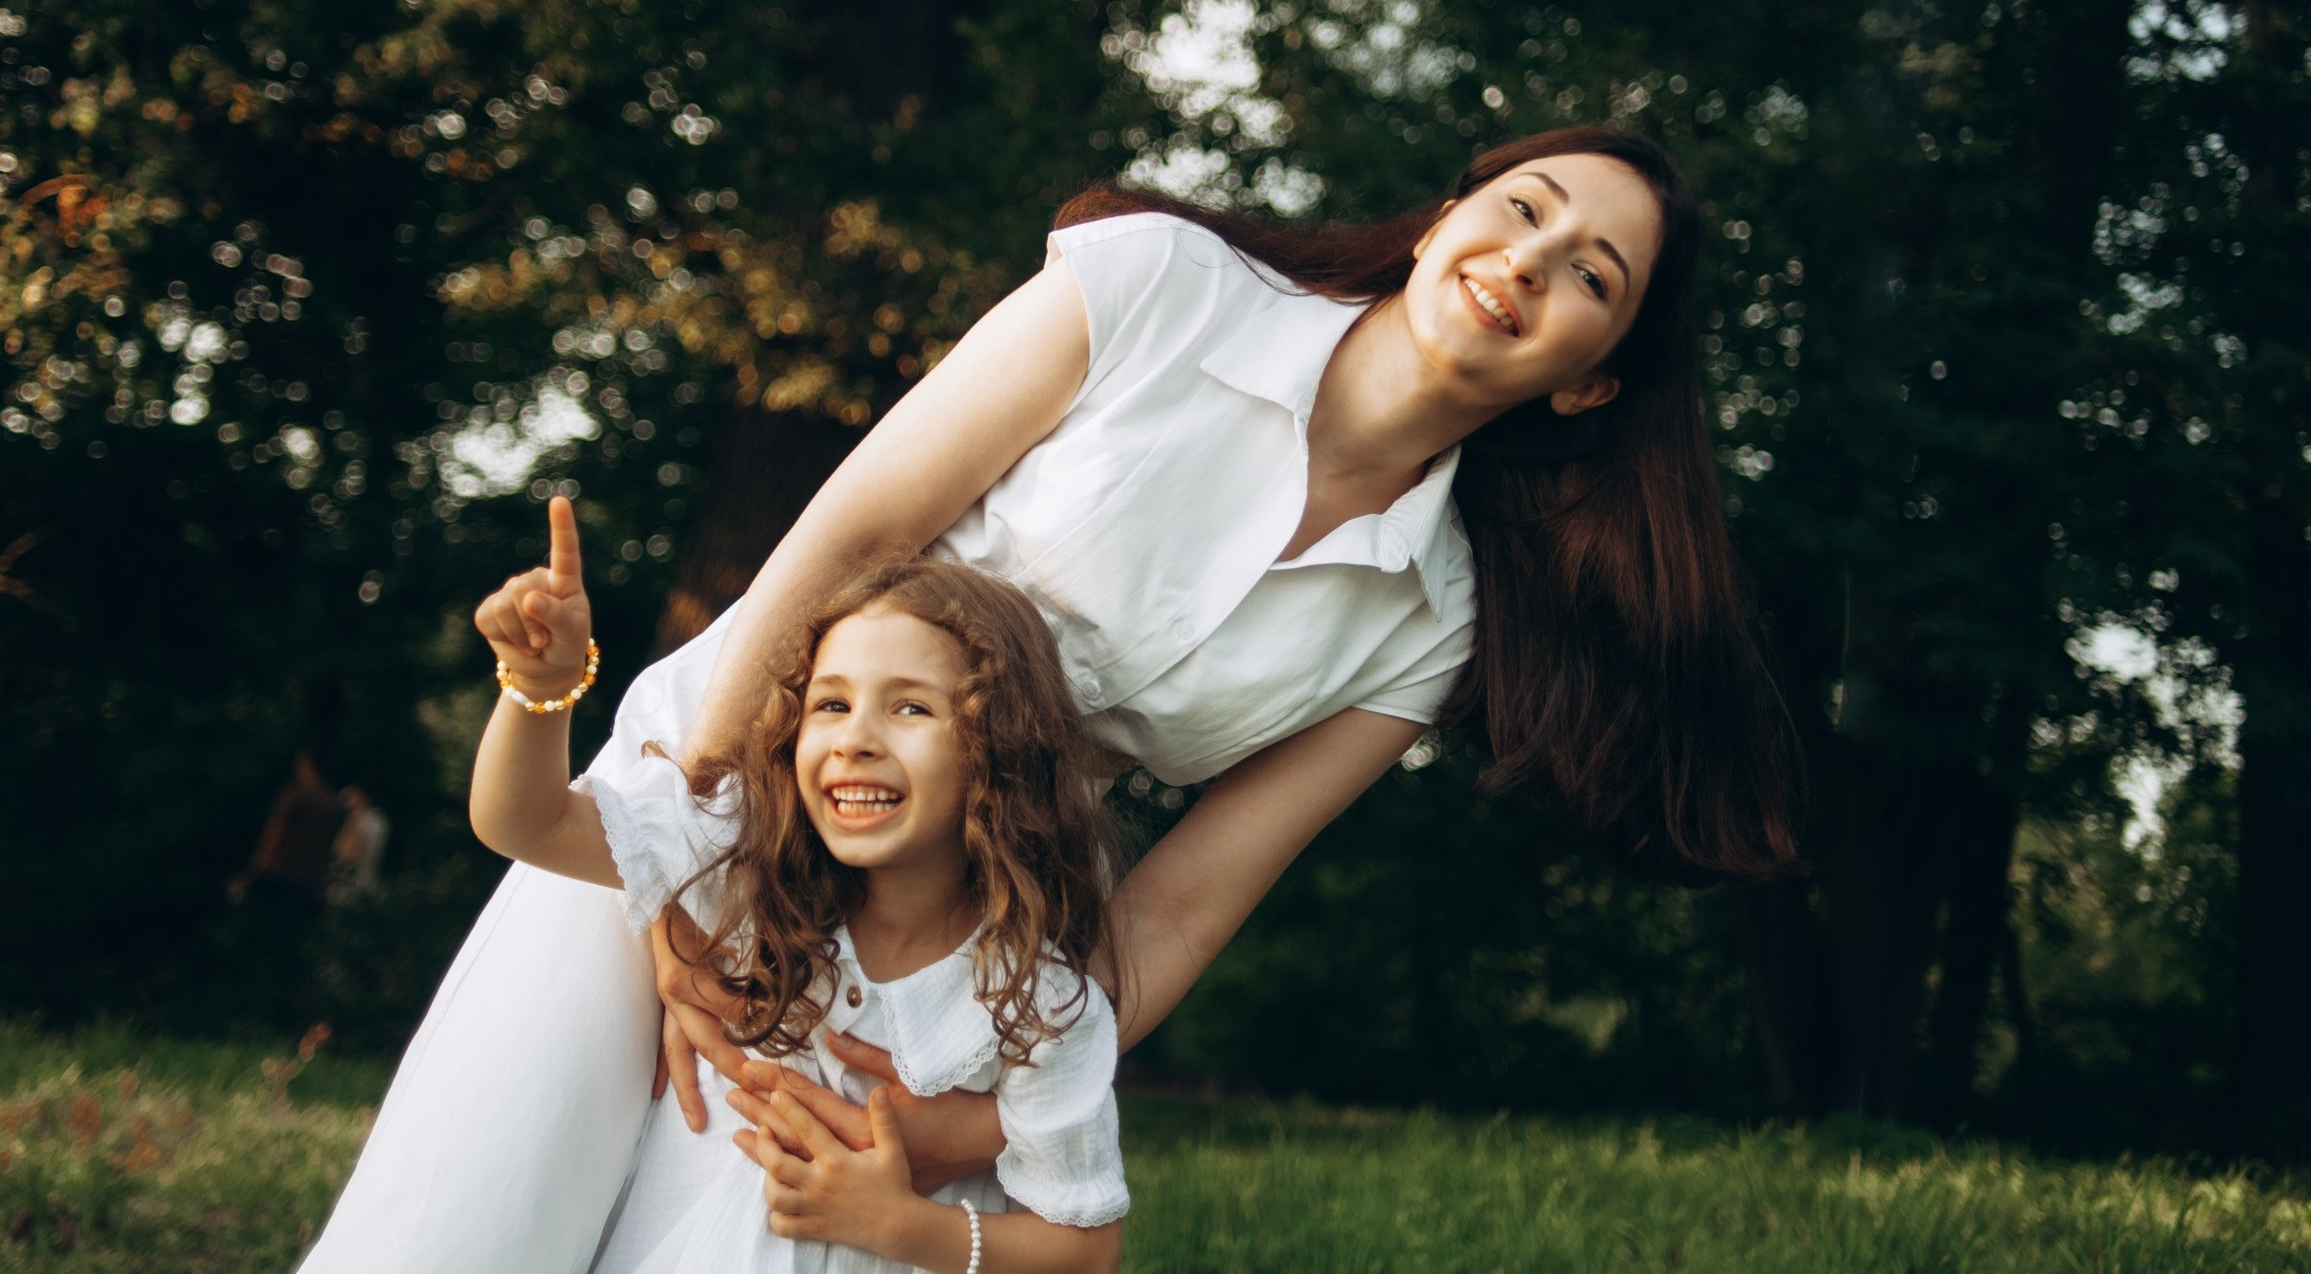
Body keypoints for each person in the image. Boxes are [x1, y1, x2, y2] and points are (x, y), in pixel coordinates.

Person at [300, 126, 1802, 1271]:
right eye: (1525, 206)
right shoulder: (1159, 285)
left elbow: (1180, 905)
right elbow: (855, 533)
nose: (1534, 259)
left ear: (1593, 380)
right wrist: (684, 858)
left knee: (740, 1237)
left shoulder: (1433, 616)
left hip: (955, 939)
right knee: (480, 1199)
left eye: (1593, 273)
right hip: (744, 760)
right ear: (1444, 222)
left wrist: (996, 1101)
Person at [466, 550, 1125, 1273]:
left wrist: (900, 1225)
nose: (857, 738)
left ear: (999, 747)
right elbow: (526, 823)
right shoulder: (744, 866)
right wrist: (539, 688)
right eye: (832, 704)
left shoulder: (1040, 1000)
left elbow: (1084, 1249)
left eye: (910, 706)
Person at [228, 748, 342, 908]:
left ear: (307, 764)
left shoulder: (295, 795)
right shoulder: (334, 804)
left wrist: (254, 871)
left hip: (281, 873)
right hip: (312, 879)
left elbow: (274, 832)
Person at [328, 785, 390, 904]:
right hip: (371, 882)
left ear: (361, 798)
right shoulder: (380, 822)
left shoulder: (356, 822)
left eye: (349, 798)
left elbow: (347, 856)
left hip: (349, 886)